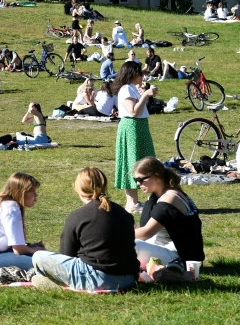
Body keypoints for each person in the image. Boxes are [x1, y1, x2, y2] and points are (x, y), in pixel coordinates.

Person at [31, 168, 139, 292]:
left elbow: (67, 254)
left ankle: (61, 283)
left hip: (99, 280)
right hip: (130, 278)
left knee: (38, 256)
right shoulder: (123, 213)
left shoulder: (78, 216)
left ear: (78, 189)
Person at [133, 156, 204, 281]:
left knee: (131, 244)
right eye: (136, 179)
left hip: (178, 255)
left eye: (141, 179)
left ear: (156, 176)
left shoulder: (170, 198)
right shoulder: (159, 195)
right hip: (161, 246)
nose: (138, 184)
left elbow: (146, 233)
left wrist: (116, 235)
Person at [113, 61, 157, 212]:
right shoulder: (126, 89)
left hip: (139, 127)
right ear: (132, 74)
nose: (142, 75)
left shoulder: (132, 88)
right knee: (132, 162)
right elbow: (133, 111)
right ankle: (132, 203)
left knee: (143, 161)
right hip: (132, 127)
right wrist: (145, 94)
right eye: (139, 73)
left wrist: (144, 93)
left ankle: (135, 202)